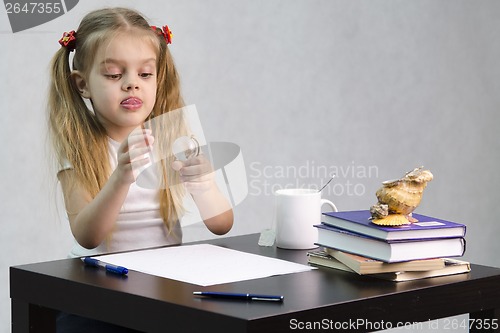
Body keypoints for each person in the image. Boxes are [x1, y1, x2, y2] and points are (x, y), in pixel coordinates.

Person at [48, 7, 233, 332]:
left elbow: (221, 225)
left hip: (162, 287)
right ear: (82, 85)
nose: (132, 85)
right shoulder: (79, 150)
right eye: (114, 75)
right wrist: (121, 176)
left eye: (145, 74)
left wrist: (204, 185)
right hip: (97, 294)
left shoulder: (172, 140)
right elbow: (88, 236)